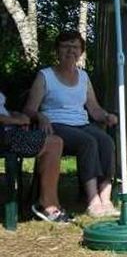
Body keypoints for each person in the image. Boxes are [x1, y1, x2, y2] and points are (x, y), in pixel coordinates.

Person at [24, 30, 119, 218]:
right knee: (88, 142)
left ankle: (105, 198)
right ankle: (92, 201)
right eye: (66, 46)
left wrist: (106, 116)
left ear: (81, 51)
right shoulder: (45, 76)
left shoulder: (84, 77)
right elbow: (29, 109)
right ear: (57, 51)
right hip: (56, 125)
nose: (70, 51)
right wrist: (41, 116)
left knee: (106, 141)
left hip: (81, 123)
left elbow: (93, 108)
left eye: (75, 47)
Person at [0, 90, 71, 223]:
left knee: (54, 142)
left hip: (8, 131)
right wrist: (16, 121)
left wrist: (15, 115)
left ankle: (49, 202)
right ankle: (48, 205)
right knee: (53, 143)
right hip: (4, 136)